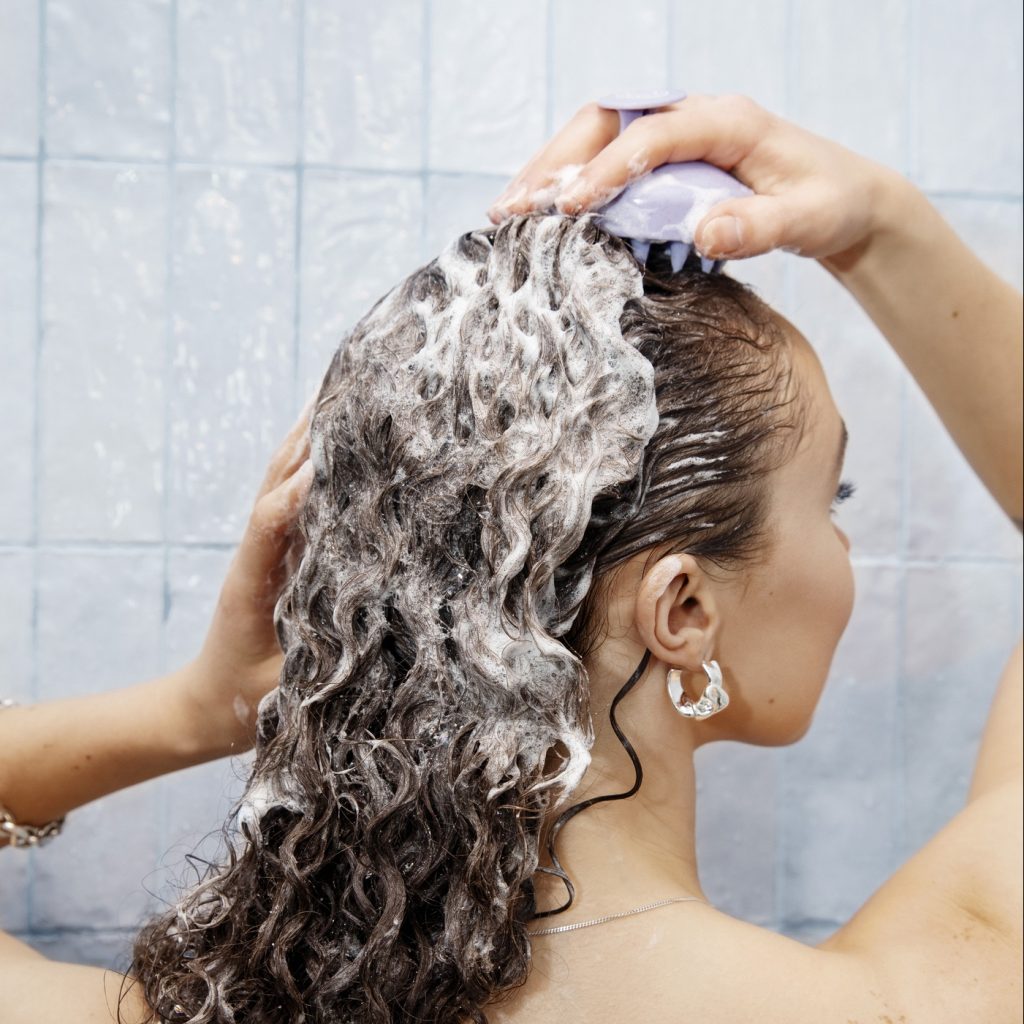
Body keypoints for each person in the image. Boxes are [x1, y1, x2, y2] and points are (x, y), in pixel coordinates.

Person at [0, 93, 1020, 1024]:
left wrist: (199, 709)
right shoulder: (942, 989)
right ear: (681, 609)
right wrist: (880, 225)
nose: (845, 551)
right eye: (832, 500)